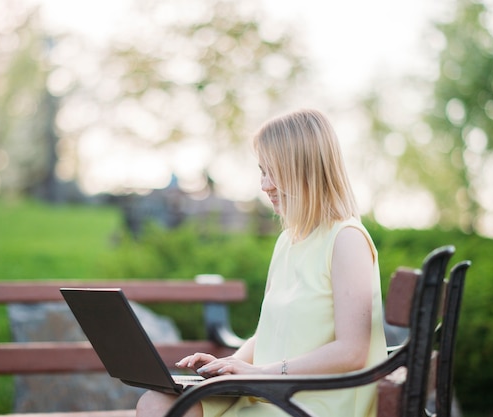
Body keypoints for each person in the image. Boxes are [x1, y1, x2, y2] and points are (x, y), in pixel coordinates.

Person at [136, 109, 387, 417]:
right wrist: (226, 368)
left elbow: (352, 352)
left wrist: (262, 373)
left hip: (309, 400)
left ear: (303, 170)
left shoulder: (346, 239)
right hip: (268, 389)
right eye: (262, 171)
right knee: (155, 403)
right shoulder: (287, 241)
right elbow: (267, 335)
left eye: (273, 172)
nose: (265, 185)